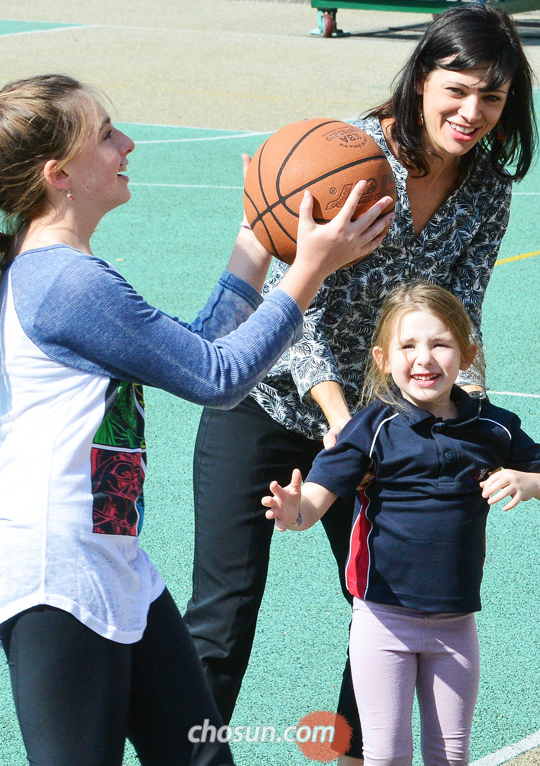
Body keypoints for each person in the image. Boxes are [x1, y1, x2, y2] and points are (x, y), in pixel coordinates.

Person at [0, 74, 395, 766]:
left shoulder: (61, 273)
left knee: (198, 756)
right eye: (106, 135)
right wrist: (309, 270)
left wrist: (255, 239)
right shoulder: (66, 283)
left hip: (113, 554)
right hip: (55, 574)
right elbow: (219, 379)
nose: (128, 143)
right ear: (59, 174)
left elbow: (202, 349)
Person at [183, 1, 537, 764]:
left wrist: (464, 425)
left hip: (376, 422)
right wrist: (340, 416)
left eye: (493, 97)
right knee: (224, 611)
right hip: (266, 401)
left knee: (387, 606)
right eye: (458, 89)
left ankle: (349, 756)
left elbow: (458, 316)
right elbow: (294, 304)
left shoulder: (486, 193)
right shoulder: (346, 156)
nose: (471, 112)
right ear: (421, 81)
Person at [262, 281, 540, 766]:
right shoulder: (372, 427)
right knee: (386, 755)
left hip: (456, 625)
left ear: (467, 352)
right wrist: (294, 510)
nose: (424, 358)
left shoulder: (493, 428)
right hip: (382, 621)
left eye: (440, 344)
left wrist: (527, 480)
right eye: (407, 346)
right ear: (383, 360)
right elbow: (316, 500)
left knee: (450, 755)